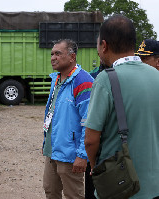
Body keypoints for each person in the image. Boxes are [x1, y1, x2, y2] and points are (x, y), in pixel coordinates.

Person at [84, 15, 159, 198]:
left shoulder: (105, 79)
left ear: (104, 45)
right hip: (154, 185)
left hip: (119, 186)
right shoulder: (156, 76)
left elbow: (90, 140)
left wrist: (95, 167)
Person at [42, 39, 93, 199]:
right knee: (50, 191)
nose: (53, 57)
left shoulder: (83, 81)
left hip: (71, 155)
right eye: (52, 54)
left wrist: (82, 155)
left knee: (73, 195)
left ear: (72, 57)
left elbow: (89, 122)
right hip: (52, 150)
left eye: (58, 53)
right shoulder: (57, 79)